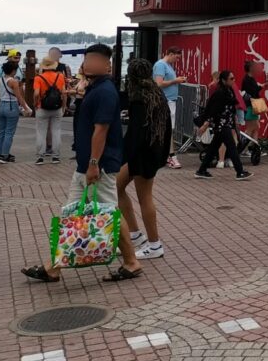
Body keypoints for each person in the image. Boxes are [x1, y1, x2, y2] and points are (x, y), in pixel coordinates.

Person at [21, 44, 144, 283]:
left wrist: (94, 164)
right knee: (71, 214)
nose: (89, 64)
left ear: (108, 65)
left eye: (96, 60)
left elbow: (101, 130)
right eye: (87, 60)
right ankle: (54, 267)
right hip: (85, 164)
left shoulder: (106, 91)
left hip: (99, 165)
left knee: (109, 214)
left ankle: (131, 262)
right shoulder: (94, 88)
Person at [118, 58, 173, 260]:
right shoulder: (157, 93)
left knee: (144, 197)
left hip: (142, 152)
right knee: (118, 187)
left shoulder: (138, 97)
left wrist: (123, 154)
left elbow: (135, 133)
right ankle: (135, 234)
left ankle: (154, 244)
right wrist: (165, 153)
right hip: (154, 150)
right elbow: (167, 127)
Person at [194, 70, 252, 181]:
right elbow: (212, 109)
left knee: (213, 148)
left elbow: (231, 107)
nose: (233, 80)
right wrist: (205, 124)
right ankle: (240, 172)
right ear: (224, 80)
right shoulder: (219, 93)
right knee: (232, 147)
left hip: (226, 123)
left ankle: (201, 170)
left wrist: (234, 121)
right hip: (221, 125)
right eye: (231, 79)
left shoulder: (229, 91)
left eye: (234, 78)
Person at [153, 47, 187, 169]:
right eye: (177, 57)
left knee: (168, 129)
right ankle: (170, 156)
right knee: (168, 130)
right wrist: (175, 81)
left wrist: (176, 81)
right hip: (165, 101)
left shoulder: (168, 65)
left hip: (170, 100)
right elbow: (158, 83)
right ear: (171, 54)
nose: (177, 60)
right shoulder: (161, 65)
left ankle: (166, 155)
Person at [33, 57, 67, 165]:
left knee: (41, 132)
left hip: (42, 107)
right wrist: (64, 106)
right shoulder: (60, 76)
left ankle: (40, 157)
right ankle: (56, 156)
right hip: (57, 107)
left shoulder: (38, 78)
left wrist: (35, 104)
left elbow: (36, 93)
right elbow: (64, 93)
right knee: (56, 131)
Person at [238, 60, 264, 156]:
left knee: (256, 128)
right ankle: (244, 149)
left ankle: (254, 148)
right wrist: (260, 87)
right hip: (251, 106)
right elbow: (252, 92)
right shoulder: (248, 79)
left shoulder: (250, 78)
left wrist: (259, 86)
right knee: (250, 129)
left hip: (253, 105)